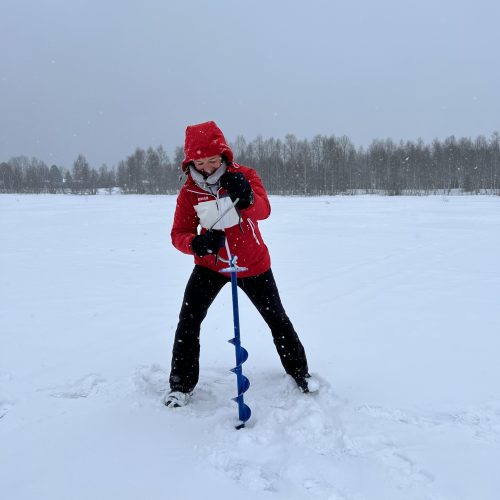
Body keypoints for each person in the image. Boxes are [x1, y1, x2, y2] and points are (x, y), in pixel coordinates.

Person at [164, 121, 317, 408]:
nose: (208, 166)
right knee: (188, 321)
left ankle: (301, 374)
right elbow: (178, 234)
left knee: (277, 319)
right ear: (190, 161)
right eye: (201, 161)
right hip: (210, 266)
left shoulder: (244, 175)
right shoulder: (189, 193)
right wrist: (195, 244)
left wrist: (246, 197)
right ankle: (180, 386)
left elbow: (264, 210)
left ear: (223, 155)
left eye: (213, 159)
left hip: (253, 264)